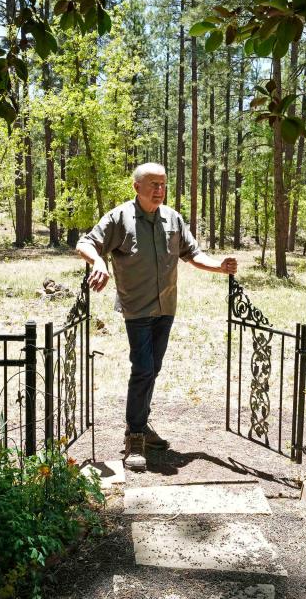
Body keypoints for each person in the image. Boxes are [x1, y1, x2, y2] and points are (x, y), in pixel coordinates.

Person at [75, 162, 237, 458]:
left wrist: (219, 267)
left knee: (153, 370)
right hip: (136, 309)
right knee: (144, 369)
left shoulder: (172, 219)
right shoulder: (120, 218)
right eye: (153, 184)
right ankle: (134, 436)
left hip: (166, 307)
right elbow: (85, 243)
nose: (159, 190)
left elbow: (192, 254)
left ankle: (141, 424)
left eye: (163, 184)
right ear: (137, 187)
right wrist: (98, 262)